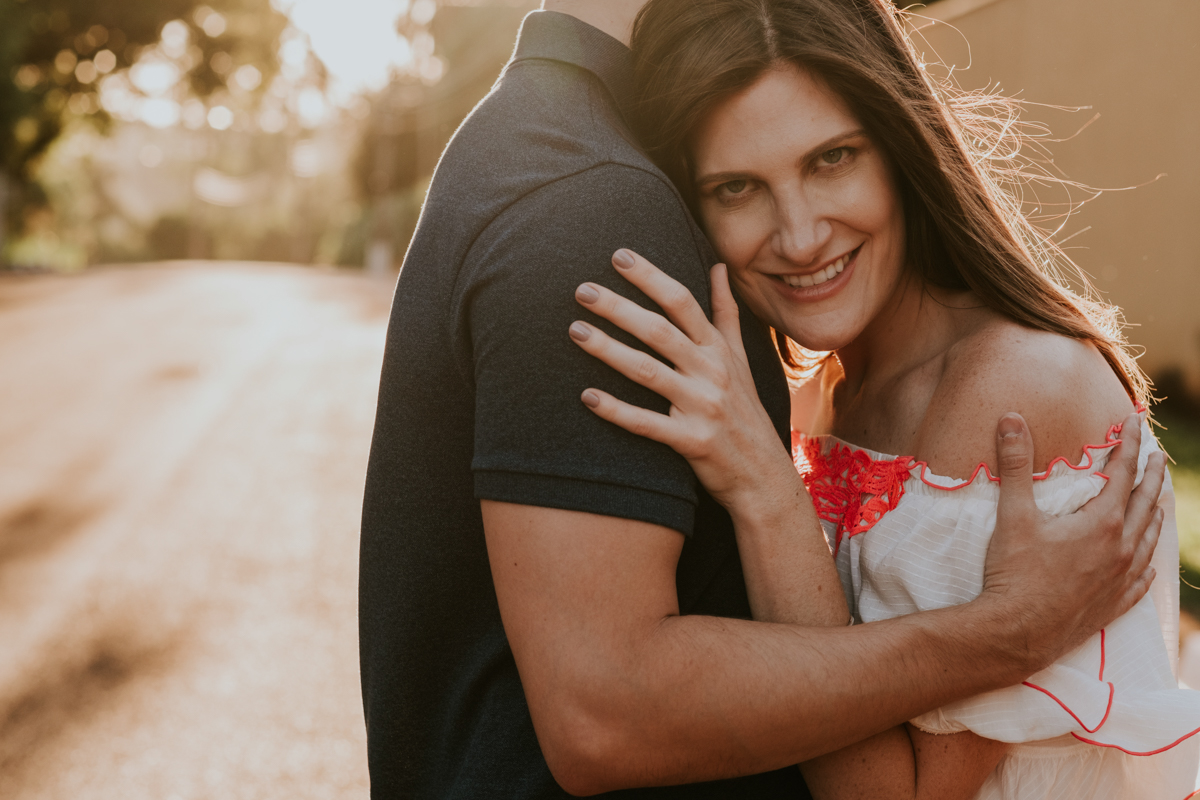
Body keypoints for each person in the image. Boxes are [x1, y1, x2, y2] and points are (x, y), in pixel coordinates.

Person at [358, 0, 1165, 797]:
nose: (801, 236)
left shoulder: (1013, 394)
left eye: (832, 159)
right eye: (737, 187)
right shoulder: (822, 390)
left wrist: (766, 492)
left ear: (900, 146)